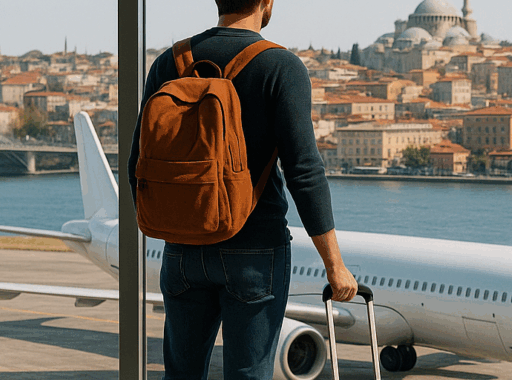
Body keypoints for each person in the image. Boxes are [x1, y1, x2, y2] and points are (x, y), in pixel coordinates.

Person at [127, 0, 358, 379]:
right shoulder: (280, 66)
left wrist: (168, 222)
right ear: (267, 4)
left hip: (182, 249)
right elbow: (304, 171)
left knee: (180, 374)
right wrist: (335, 266)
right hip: (254, 248)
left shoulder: (170, 63)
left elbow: (137, 163)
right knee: (248, 374)